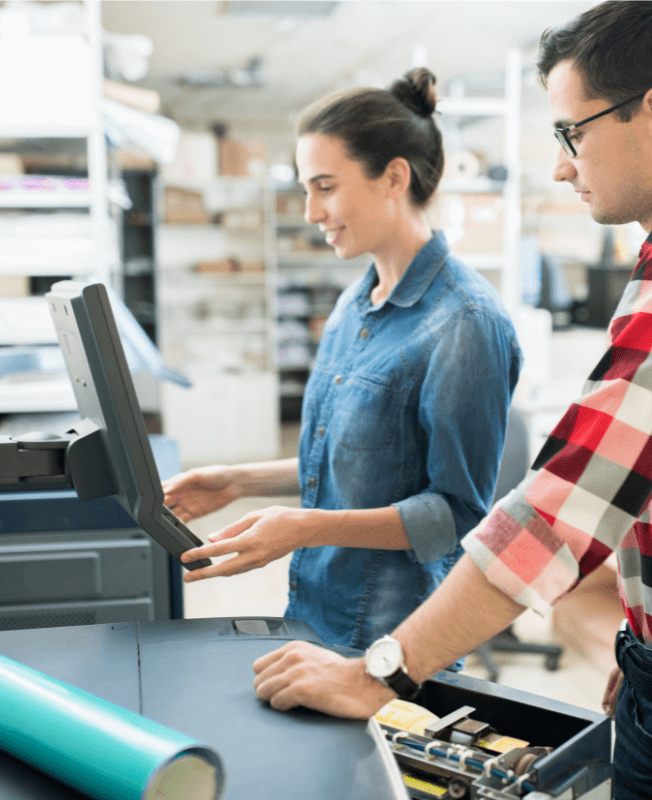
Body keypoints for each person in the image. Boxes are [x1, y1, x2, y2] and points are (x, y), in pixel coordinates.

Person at [250, 3, 652, 799]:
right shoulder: (359, 303)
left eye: (572, 133)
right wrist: (647, 646)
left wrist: (383, 670)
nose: (562, 165)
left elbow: (554, 515)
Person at [163, 67, 522, 653]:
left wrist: (303, 526)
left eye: (325, 187)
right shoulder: (356, 302)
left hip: (393, 641)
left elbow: (453, 514)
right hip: (317, 609)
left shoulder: (465, 322)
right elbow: (355, 457)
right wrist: (239, 480)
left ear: (393, 178)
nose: (310, 211)